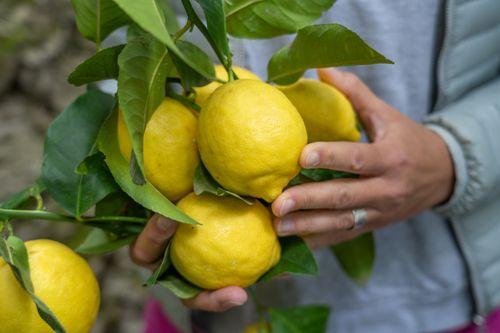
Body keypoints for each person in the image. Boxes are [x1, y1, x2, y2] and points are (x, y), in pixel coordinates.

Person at [130, 1, 500, 332]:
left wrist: (457, 155)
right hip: (214, 314)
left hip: (445, 293)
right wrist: (133, 202)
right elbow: (130, 41)